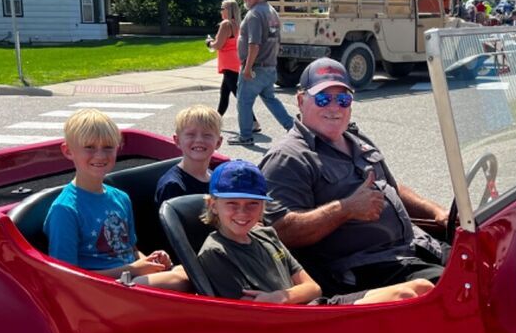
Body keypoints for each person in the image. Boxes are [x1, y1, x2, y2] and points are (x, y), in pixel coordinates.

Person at [259, 57, 448, 295]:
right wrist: (346, 208)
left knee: (486, 261)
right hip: (365, 269)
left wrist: (436, 212)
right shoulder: (288, 157)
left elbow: (390, 188)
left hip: (414, 246)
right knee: (459, 290)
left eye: (343, 99)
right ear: (300, 100)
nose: (334, 107)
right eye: (323, 98)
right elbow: (281, 231)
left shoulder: (355, 139)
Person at [197, 159, 434, 305]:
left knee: (423, 287)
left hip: (315, 305)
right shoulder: (216, 253)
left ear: (262, 207)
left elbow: (313, 287)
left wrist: (280, 297)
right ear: (212, 205)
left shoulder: (266, 235)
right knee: (403, 297)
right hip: (300, 325)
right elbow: (252, 316)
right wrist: (287, 297)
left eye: (252, 204)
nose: (243, 212)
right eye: (232, 204)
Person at [44, 109, 189, 289]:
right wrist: (133, 270)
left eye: (108, 147)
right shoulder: (65, 209)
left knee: (192, 269)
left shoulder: (120, 197)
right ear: (68, 151)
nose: (100, 155)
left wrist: (152, 262)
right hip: (101, 291)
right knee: (182, 279)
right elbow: (66, 276)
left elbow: (131, 252)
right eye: (89, 147)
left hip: (130, 280)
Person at [231, 0, 294, 145]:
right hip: (269, 65)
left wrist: (248, 68)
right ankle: (293, 127)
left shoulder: (254, 14)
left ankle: (245, 136)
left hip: (256, 67)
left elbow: (254, 44)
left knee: (243, 101)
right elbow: (277, 40)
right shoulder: (272, 12)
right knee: (270, 99)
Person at [155, 105, 222, 205]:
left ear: (218, 142)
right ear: (177, 141)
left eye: (207, 135)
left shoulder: (217, 179)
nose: (199, 140)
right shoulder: (173, 186)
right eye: (191, 134)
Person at [205, 0, 246, 123]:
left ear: (229, 10)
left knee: (237, 95)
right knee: (224, 93)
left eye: (223, 8)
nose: (221, 11)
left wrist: (208, 43)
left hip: (228, 62)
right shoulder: (238, 24)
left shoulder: (225, 24)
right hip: (235, 60)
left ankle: (253, 121)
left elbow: (218, 45)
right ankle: (216, 119)